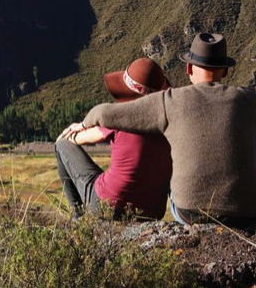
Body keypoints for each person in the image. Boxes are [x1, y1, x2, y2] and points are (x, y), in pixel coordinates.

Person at [61, 33, 256, 229]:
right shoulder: (250, 100)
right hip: (248, 216)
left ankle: (77, 221)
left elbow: (106, 113)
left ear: (188, 69)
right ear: (225, 71)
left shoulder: (171, 100)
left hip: (188, 212)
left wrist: (82, 124)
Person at [55, 58, 172, 220]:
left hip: (110, 206)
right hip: (153, 213)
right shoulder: (170, 123)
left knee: (61, 145)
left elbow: (75, 140)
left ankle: (78, 217)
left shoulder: (119, 118)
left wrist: (76, 128)